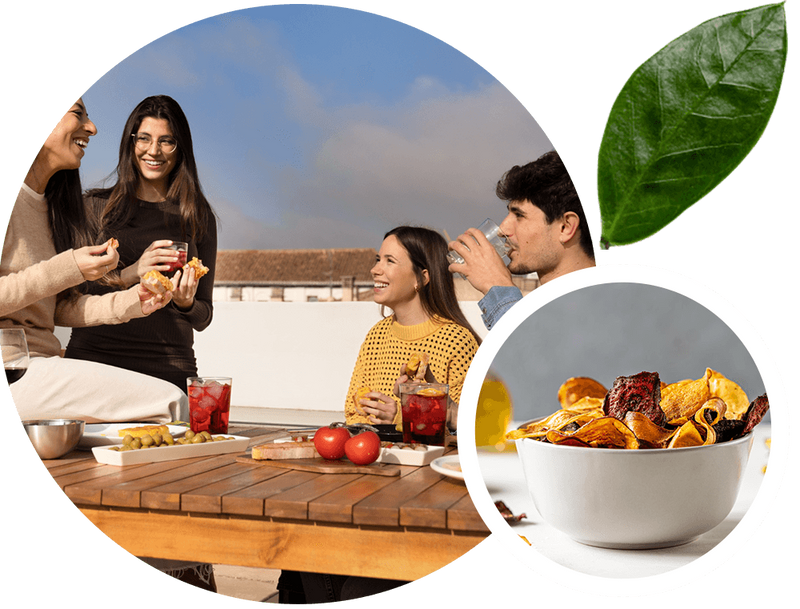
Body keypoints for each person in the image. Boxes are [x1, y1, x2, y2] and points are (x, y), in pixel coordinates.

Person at [3, 97, 186, 423]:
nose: (92, 127)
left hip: (42, 367)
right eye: (78, 112)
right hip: (14, 370)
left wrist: (133, 301)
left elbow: (58, 308)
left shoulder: (53, 209)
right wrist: (68, 267)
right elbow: (49, 278)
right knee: (174, 404)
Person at [64, 95, 217, 392]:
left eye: (166, 141)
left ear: (180, 147)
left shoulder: (197, 216)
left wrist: (186, 303)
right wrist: (131, 273)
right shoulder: (94, 206)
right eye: (144, 138)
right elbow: (71, 298)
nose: (154, 151)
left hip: (169, 368)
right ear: (131, 142)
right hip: (93, 361)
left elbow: (204, 316)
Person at [345, 225, 481, 430]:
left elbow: (469, 426)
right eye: (378, 260)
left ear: (422, 277)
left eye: (390, 261)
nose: (375, 270)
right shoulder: (376, 336)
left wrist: (399, 418)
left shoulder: (457, 341)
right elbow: (352, 412)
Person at [448, 150, 597, 330]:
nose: (503, 229)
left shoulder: (603, 307)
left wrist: (499, 288)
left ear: (565, 227)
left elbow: (536, 354)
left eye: (519, 215)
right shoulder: (552, 307)